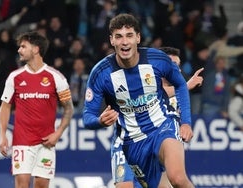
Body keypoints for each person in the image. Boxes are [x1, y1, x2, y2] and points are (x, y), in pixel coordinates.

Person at [83, 13, 194, 188]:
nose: (124, 42)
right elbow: (87, 116)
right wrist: (99, 121)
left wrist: (186, 122)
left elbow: (180, 85)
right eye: (118, 37)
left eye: (129, 36)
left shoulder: (157, 60)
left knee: (178, 178)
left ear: (138, 38)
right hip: (130, 141)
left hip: (162, 127)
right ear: (112, 40)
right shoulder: (100, 73)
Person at [0, 31, 74, 188]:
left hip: (46, 143)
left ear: (36, 49)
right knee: (22, 183)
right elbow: (5, 107)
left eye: (23, 46)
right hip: (22, 142)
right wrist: (3, 135)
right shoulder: (15, 77)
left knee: (41, 185)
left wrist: (58, 133)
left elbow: (69, 109)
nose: (19, 50)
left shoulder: (56, 77)